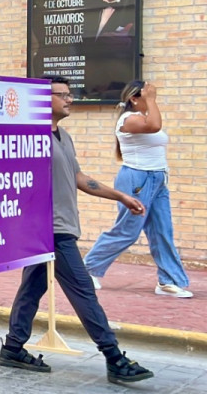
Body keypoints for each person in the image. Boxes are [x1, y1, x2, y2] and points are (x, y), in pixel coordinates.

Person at [0, 76, 153, 385]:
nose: (70, 99)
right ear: (45, 100)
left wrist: (120, 195)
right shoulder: (30, 138)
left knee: (32, 287)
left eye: (71, 94)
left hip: (61, 225)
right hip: (50, 230)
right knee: (83, 291)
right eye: (63, 95)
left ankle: (14, 347)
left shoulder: (63, 137)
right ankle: (114, 357)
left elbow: (79, 178)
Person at [82, 81, 192, 298]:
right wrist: (151, 100)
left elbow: (153, 126)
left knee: (162, 231)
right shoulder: (128, 119)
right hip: (137, 180)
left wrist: (150, 101)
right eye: (146, 95)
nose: (153, 97)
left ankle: (167, 281)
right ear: (134, 98)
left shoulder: (143, 116)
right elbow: (154, 127)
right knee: (128, 230)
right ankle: (87, 269)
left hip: (158, 179)